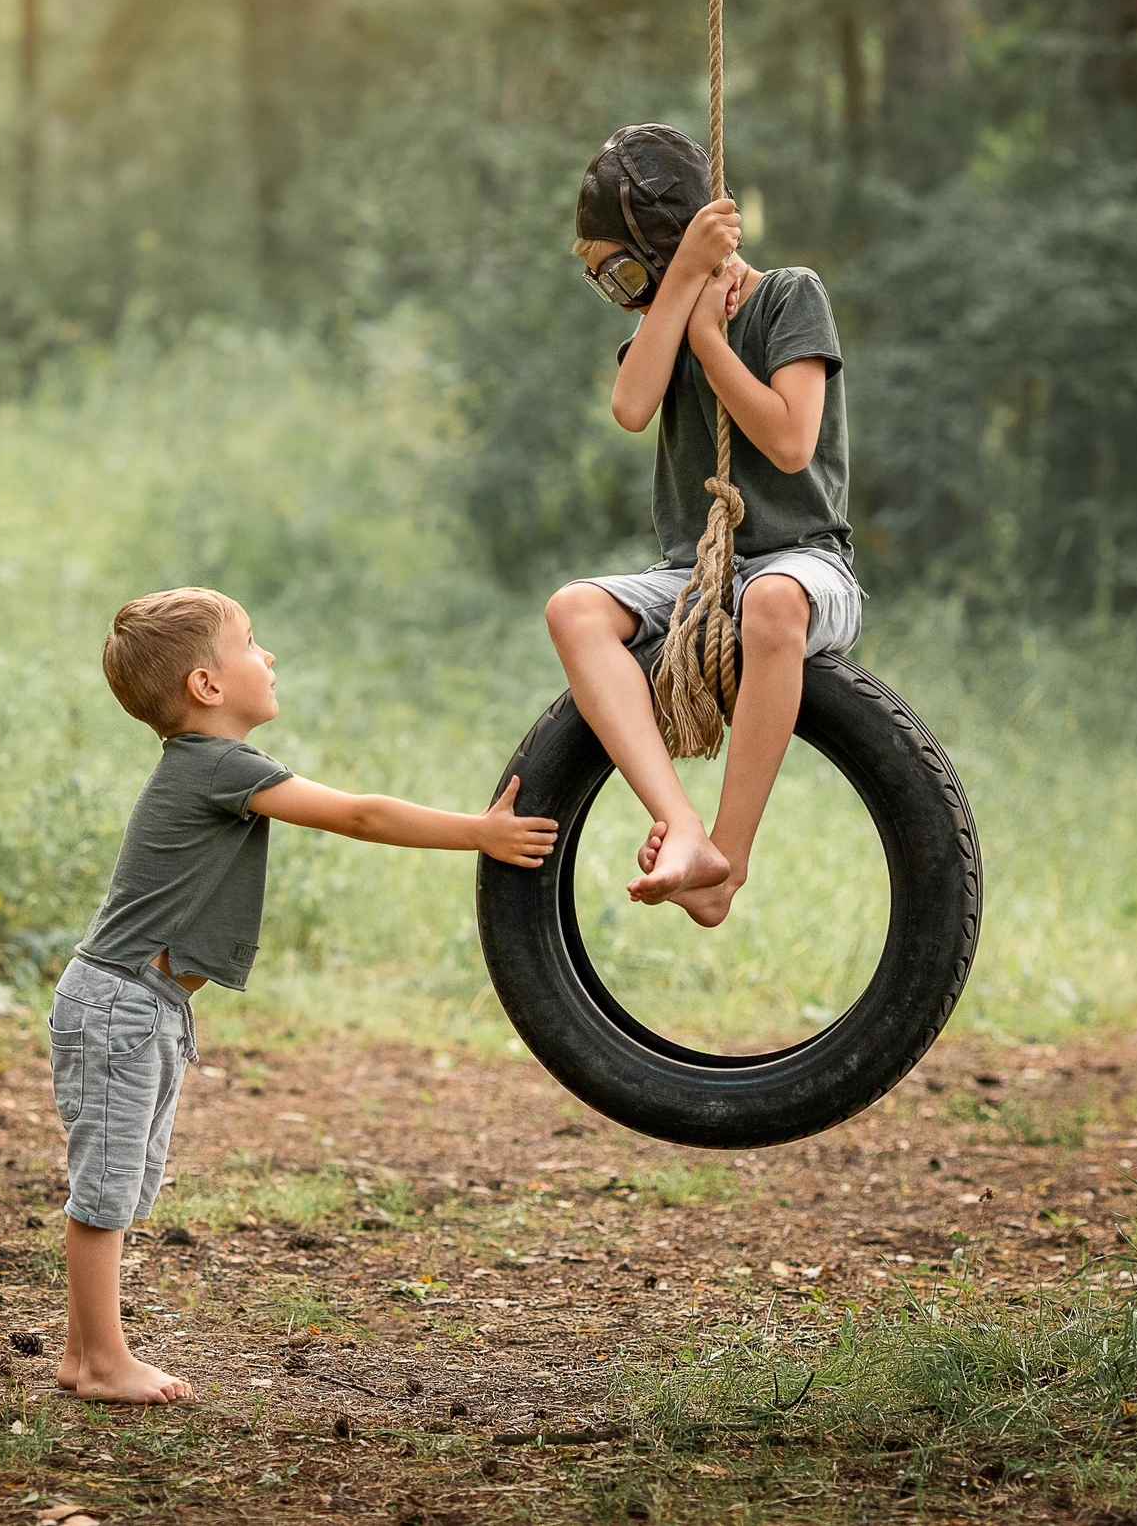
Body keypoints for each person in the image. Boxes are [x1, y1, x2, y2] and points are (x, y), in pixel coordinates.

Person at [50, 587, 558, 1404]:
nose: (270, 656)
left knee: (120, 1185)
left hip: (141, 1003)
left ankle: (85, 1354)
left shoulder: (208, 766)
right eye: (251, 642)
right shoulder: (218, 765)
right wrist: (479, 830)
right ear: (206, 687)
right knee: (104, 1192)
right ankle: (103, 1360)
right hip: (120, 1003)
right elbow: (357, 815)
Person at [547, 123, 864, 929]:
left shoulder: (791, 295)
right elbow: (629, 406)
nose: (618, 293)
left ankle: (727, 856)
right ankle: (680, 822)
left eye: (619, 269)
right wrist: (683, 288)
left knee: (771, 605)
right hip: (693, 575)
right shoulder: (665, 321)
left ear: (657, 244)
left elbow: (792, 442)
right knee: (572, 609)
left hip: (802, 562)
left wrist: (711, 343)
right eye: (602, 282)